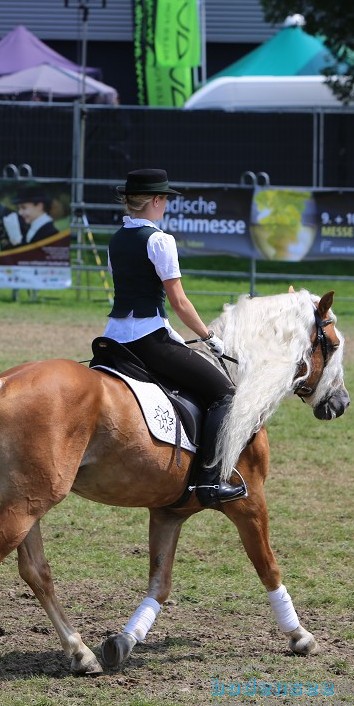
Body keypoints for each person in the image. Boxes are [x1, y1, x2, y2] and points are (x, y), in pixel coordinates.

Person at [103, 168, 246, 507]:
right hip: (150, 340)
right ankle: (210, 481)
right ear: (155, 200)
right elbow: (179, 302)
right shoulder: (159, 240)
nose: (165, 204)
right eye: (164, 198)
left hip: (114, 340)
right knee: (225, 394)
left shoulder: (115, 239)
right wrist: (208, 336)